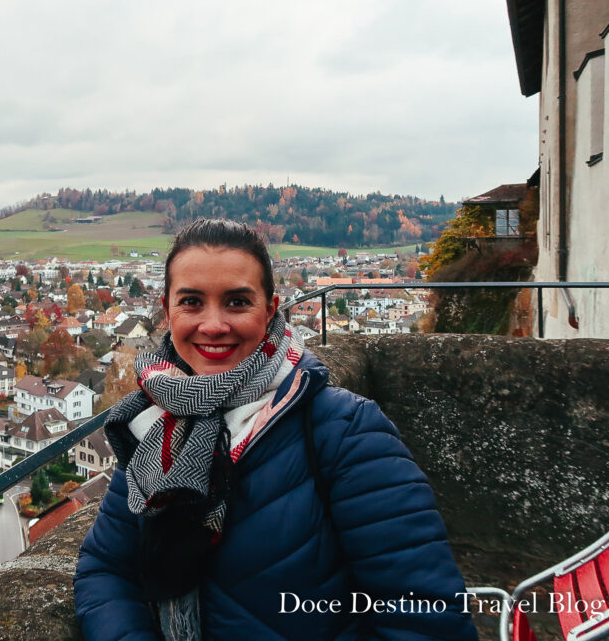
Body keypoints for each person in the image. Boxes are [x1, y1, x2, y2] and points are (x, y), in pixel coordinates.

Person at [73, 218, 478, 641]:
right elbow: (105, 571)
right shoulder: (157, 425)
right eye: (191, 301)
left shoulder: (347, 432)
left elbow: (424, 618)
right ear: (167, 309)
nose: (212, 325)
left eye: (236, 302)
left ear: (270, 309)